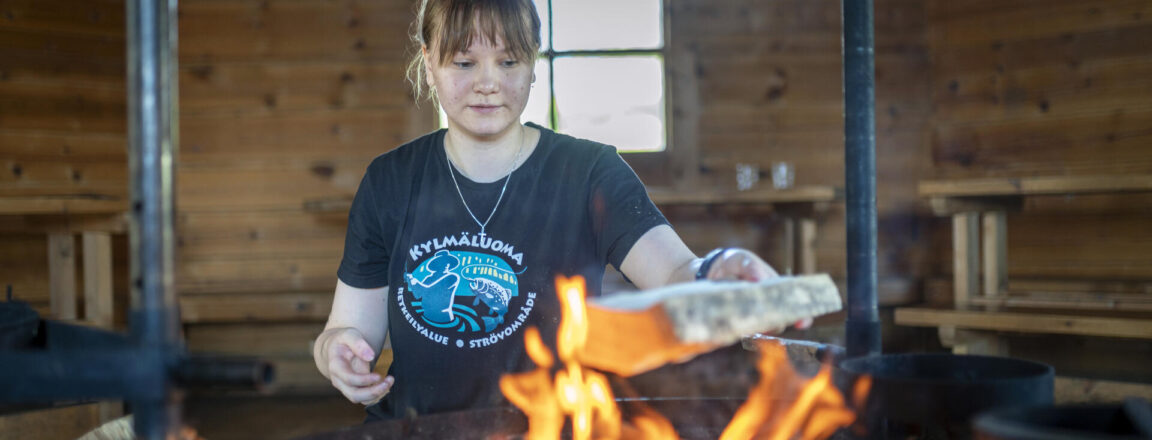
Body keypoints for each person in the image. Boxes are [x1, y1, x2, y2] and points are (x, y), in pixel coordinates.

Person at [312, 0, 802, 422]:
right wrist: (337, 354)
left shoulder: (589, 170)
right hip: (414, 427)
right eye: (464, 62)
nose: (488, 83)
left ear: (532, 64)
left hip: (555, 425)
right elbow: (348, 330)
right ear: (428, 62)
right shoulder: (389, 180)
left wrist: (716, 270)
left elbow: (675, 269)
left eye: (508, 62)